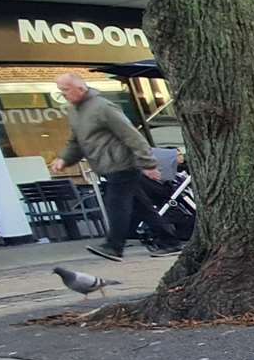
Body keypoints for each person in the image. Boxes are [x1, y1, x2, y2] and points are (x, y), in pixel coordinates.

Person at [54, 73, 179, 261]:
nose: (62, 95)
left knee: (116, 204)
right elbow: (77, 141)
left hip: (121, 164)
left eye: (65, 90)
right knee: (141, 205)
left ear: (80, 88)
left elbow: (131, 135)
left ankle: (114, 246)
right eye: (60, 91)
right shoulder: (75, 111)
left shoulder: (103, 107)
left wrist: (148, 163)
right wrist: (64, 159)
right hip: (106, 166)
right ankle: (170, 240)